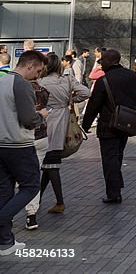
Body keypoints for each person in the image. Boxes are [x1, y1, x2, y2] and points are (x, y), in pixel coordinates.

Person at [0, 50, 50, 254]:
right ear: (29, 66)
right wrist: (42, 115)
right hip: (19, 145)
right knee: (31, 186)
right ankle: (2, 223)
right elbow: (29, 120)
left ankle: (5, 242)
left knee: (4, 190)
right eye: (37, 70)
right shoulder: (21, 84)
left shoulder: (2, 81)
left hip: (1, 144)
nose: (38, 75)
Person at [29, 53, 90, 220]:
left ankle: (59, 201)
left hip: (46, 121)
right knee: (50, 163)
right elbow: (86, 92)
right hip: (63, 121)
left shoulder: (41, 82)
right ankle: (41, 198)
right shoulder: (67, 79)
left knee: (51, 164)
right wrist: (71, 99)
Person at [81, 49, 136, 205]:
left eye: (102, 61)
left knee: (109, 158)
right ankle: (117, 182)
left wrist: (85, 126)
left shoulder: (104, 80)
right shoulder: (132, 76)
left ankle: (113, 193)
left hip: (108, 125)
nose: (101, 64)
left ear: (110, 61)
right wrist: (131, 112)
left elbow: (93, 106)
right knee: (118, 154)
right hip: (126, 122)